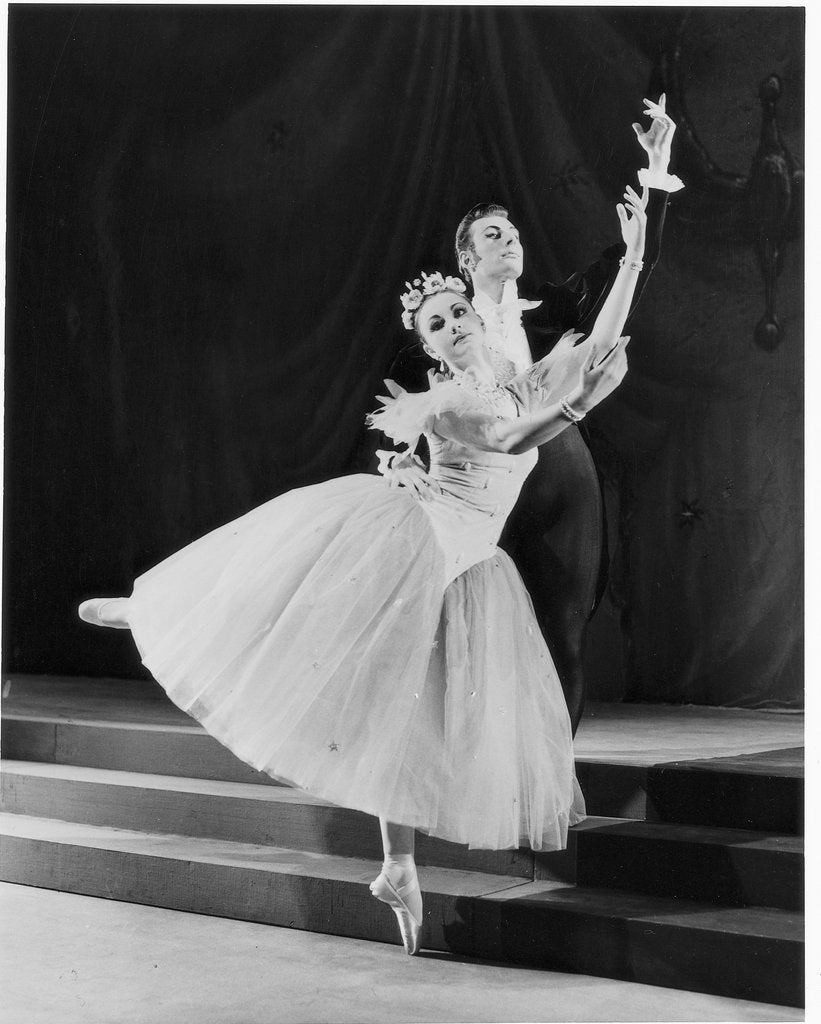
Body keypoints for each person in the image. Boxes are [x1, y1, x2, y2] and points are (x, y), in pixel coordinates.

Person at [78, 189, 643, 955]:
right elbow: (511, 441)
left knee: (403, 711)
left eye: (457, 314)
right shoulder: (448, 402)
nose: (452, 326)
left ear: (475, 318)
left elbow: (596, 345)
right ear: (431, 348)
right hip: (415, 542)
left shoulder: (512, 384)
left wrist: (633, 258)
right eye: (435, 326)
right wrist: (578, 406)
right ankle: (158, 611)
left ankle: (397, 867)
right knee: (291, 599)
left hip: (468, 564)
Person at [382, 96, 683, 734]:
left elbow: (632, 266)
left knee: (560, 633)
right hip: (472, 491)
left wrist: (656, 171)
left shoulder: (556, 309)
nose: (511, 239)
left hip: (555, 476)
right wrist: (401, 460)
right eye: (494, 235)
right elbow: (408, 416)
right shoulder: (435, 335)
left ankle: (552, 774)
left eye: (514, 232)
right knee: (459, 636)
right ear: (466, 260)